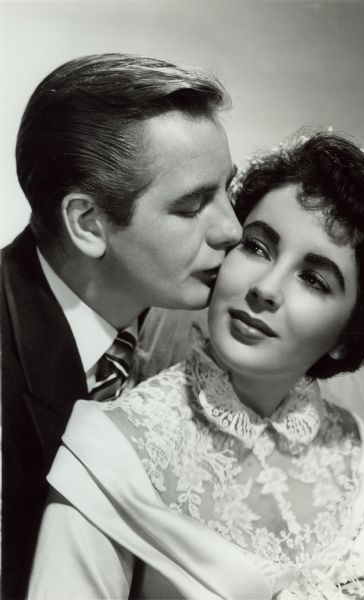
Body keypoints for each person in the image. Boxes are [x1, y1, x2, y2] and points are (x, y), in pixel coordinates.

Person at [28, 132, 364, 599]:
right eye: (257, 247)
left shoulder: (353, 451)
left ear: (346, 337)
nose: (266, 288)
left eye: (313, 279)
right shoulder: (109, 447)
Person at [1, 53, 242, 600]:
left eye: (227, 189)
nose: (232, 228)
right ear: (87, 222)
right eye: (192, 206)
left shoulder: (209, 329)